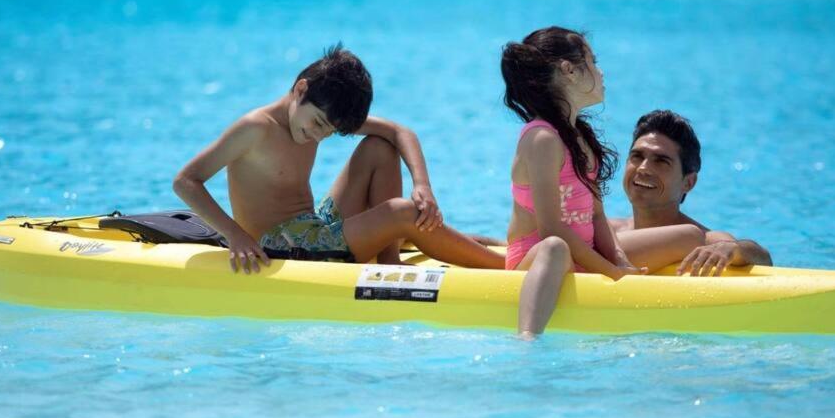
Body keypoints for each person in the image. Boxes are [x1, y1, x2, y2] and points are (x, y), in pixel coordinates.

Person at [173, 44, 504, 273]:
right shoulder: (255, 128)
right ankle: (508, 269)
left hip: (314, 227)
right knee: (403, 212)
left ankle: (389, 258)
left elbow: (399, 132)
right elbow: (186, 181)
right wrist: (235, 235)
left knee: (379, 146)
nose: (318, 136)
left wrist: (423, 185)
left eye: (329, 132)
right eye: (318, 123)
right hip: (283, 245)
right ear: (300, 90)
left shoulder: (314, 118)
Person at [501, 27, 705, 337]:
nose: (600, 71)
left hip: (585, 251)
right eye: (592, 62)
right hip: (538, 259)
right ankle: (528, 338)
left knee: (688, 236)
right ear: (569, 71)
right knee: (556, 247)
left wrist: (619, 259)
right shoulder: (541, 139)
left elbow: (596, 214)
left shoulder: (581, 138)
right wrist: (612, 273)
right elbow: (550, 230)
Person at [612, 110, 772, 275]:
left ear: (688, 182)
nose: (643, 168)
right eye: (637, 156)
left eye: (661, 161)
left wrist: (735, 249)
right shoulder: (608, 229)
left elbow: (764, 259)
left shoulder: (703, 241)